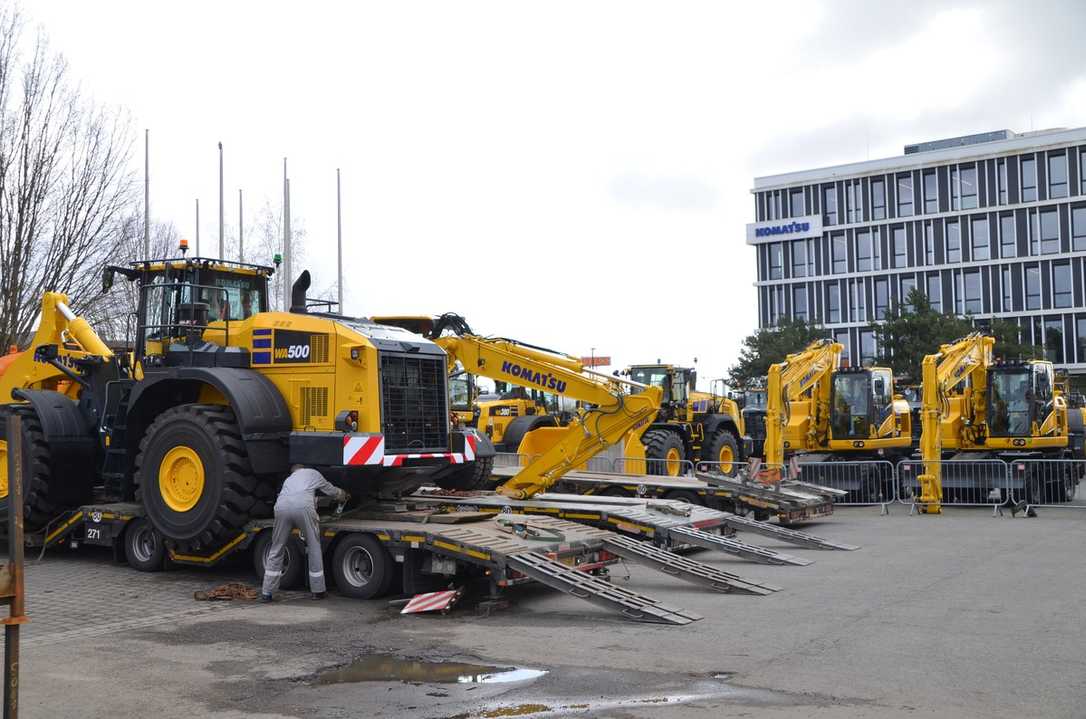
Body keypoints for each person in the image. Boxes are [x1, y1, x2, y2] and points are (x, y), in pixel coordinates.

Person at [261, 465, 348, 602]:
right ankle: (317, 591)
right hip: (303, 507)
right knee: (313, 546)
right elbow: (329, 489)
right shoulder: (312, 473)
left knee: (277, 547)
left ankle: (267, 592)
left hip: (281, 507)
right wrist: (342, 495)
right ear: (304, 468)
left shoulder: (288, 480)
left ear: (293, 471)